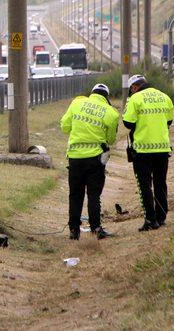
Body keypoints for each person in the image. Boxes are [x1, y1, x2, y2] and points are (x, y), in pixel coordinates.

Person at [61, 83, 119, 240]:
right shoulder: (110, 113)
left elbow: (65, 127)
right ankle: (96, 229)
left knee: (75, 195)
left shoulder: (77, 103)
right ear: (106, 97)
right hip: (95, 159)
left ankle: (74, 230)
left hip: (75, 157)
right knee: (93, 195)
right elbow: (111, 139)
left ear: (92, 93)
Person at [122, 74, 174, 231]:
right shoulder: (164, 96)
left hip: (143, 149)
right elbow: (169, 121)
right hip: (163, 148)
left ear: (134, 87)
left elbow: (128, 123)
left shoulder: (135, 99)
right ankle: (161, 216)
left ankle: (150, 220)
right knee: (160, 183)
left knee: (145, 185)